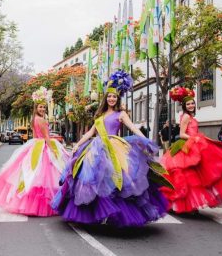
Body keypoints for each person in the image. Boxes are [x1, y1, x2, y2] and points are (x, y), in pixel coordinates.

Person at [52, 71, 170, 227]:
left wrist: (145, 140)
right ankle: (99, 212)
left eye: (114, 96)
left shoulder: (121, 114)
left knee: (117, 179)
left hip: (115, 148)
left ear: (117, 98)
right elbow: (90, 132)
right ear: (106, 98)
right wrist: (77, 145)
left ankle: (115, 213)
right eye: (109, 96)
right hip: (96, 148)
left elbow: (133, 128)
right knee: (95, 180)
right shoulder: (99, 116)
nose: (112, 99)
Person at [160, 87, 222, 213]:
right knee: (189, 176)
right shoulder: (186, 117)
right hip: (188, 145)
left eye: (192, 103)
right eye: (188, 104)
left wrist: (197, 138)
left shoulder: (191, 116)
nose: (191, 105)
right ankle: (184, 204)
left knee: (200, 175)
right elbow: (181, 134)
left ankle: (192, 205)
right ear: (184, 105)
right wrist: (194, 138)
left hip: (195, 143)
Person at [0, 86, 69, 216]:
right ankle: (47, 204)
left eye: (44, 107)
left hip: (35, 145)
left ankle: (29, 202)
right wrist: (54, 151)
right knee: (46, 176)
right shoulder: (43, 120)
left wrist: (35, 147)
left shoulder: (33, 120)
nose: (42, 109)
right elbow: (47, 137)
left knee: (31, 173)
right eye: (40, 107)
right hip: (43, 145)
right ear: (36, 108)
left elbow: (34, 137)